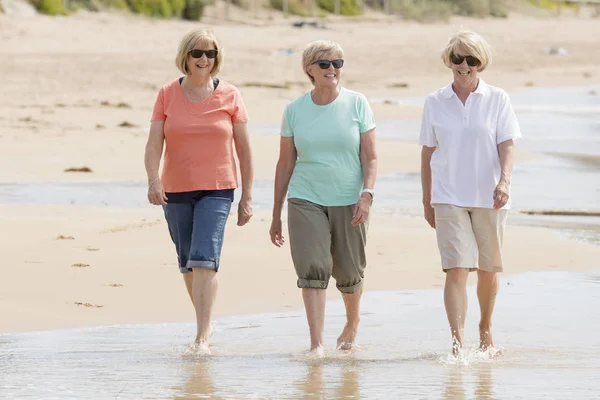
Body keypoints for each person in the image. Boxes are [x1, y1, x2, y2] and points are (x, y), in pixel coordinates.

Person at [144, 27, 254, 354]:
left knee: (205, 259)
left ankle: (202, 337)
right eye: (198, 53)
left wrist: (247, 196)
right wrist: (153, 179)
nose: (204, 59)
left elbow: (245, 151)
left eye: (211, 54)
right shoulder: (167, 94)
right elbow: (153, 145)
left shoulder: (231, 95)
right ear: (186, 57)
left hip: (218, 188)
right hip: (175, 188)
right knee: (188, 263)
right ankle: (204, 321)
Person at [269, 40, 378, 356]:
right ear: (309, 70)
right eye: (325, 64)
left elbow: (370, 157)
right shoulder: (294, 110)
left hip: (349, 199)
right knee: (313, 267)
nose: (333, 69)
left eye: (338, 63)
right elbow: (285, 163)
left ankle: (352, 322)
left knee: (349, 270)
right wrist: (276, 213)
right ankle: (316, 345)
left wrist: (366, 195)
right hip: (305, 197)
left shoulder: (358, 104)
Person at [419, 29, 522, 355]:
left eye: (472, 60)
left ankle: (485, 327)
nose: (464, 65)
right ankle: (457, 341)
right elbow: (427, 152)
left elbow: (506, 144)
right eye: (457, 59)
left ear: (481, 63)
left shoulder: (498, 99)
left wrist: (504, 182)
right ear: (449, 61)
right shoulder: (435, 101)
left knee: (489, 270)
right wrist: (427, 198)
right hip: (448, 196)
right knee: (457, 268)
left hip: (490, 196)